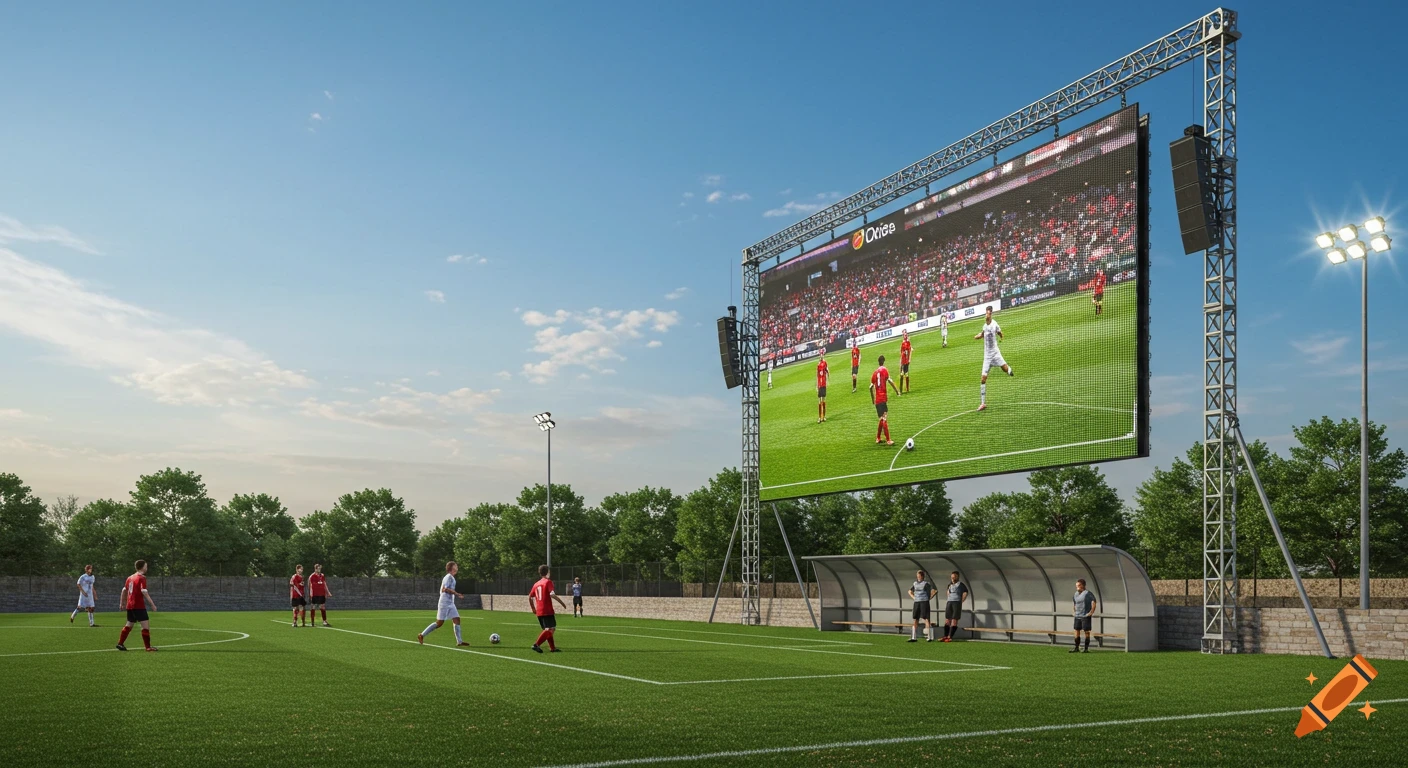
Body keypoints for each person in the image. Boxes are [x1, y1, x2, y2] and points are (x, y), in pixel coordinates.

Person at [973, 306, 1014, 412]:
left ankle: (1009, 369)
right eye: (985, 314)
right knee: (983, 379)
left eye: (988, 314)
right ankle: (982, 403)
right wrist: (978, 336)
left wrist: (1001, 336)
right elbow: (982, 334)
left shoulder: (995, 324)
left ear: (991, 314)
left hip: (996, 354)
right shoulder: (984, 326)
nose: (986, 316)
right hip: (987, 357)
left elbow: (1000, 332)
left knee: (1005, 369)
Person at [419, 561, 469, 647]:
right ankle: (422, 635)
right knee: (439, 623)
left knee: (457, 619)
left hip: (450, 603)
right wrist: (457, 594)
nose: (457, 567)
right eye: (455, 566)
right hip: (444, 603)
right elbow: (445, 589)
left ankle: (459, 641)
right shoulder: (448, 577)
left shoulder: (452, 578)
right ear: (452, 568)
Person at [116, 560, 157, 652]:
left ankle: (120, 643)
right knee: (145, 627)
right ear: (142, 567)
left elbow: (124, 590)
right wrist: (152, 604)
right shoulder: (142, 577)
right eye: (146, 566)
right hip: (138, 605)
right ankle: (148, 647)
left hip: (130, 605)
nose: (147, 568)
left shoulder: (130, 578)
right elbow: (144, 591)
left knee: (129, 625)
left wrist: (121, 603)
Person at [529, 564, 568, 653]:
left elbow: (530, 597)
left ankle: (552, 648)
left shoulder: (536, 584)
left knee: (548, 629)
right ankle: (536, 644)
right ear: (548, 572)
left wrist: (533, 608)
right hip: (547, 610)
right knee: (551, 629)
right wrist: (562, 603)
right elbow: (552, 594)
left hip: (539, 611)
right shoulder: (548, 582)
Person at [870, 354, 901, 446]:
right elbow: (890, 381)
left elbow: (870, 387)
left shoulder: (875, 373)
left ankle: (878, 438)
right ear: (884, 361)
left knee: (881, 419)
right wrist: (897, 391)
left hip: (877, 400)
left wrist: (873, 399)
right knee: (884, 418)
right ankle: (888, 440)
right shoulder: (885, 370)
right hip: (883, 398)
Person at [908, 570, 936, 642]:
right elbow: (910, 591)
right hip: (917, 602)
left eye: (919, 576)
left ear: (922, 576)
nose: (918, 577)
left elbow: (934, 591)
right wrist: (914, 597)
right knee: (915, 618)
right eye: (917, 576)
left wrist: (929, 598)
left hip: (924, 602)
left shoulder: (926, 584)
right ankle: (914, 637)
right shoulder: (915, 584)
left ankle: (929, 636)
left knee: (926, 618)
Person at [1071, 578, 1097, 653]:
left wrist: (1091, 612)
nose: (1077, 587)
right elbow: (1074, 603)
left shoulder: (1088, 594)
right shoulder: (1075, 594)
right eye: (1076, 586)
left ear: (1083, 585)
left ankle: (1086, 648)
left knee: (1086, 631)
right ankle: (1076, 647)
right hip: (1077, 616)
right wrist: (1074, 611)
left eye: (1078, 585)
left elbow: (1094, 602)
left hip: (1085, 616)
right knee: (1076, 630)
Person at [942, 571, 969, 642]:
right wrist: (949, 598)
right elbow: (948, 592)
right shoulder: (950, 585)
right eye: (952, 577)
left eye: (954, 577)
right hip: (949, 603)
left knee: (954, 619)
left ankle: (950, 637)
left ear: (957, 577)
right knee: (947, 620)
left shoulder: (961, 585)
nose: (952, 578)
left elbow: (965, 592)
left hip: (956, 603)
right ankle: (945, 636)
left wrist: (961, 600)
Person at [816, 355, 829, 423]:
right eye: (820, 356)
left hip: (823, 384)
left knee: (823, 400)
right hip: (819, 385)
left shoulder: (825, 363)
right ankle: (819, 417)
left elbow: (827, 371)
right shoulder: (818, 366)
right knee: (819, 401)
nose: (821, 357)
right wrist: (816, 386)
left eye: (822, 356)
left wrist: (827, 380)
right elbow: (816, 375)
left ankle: (823, 416)